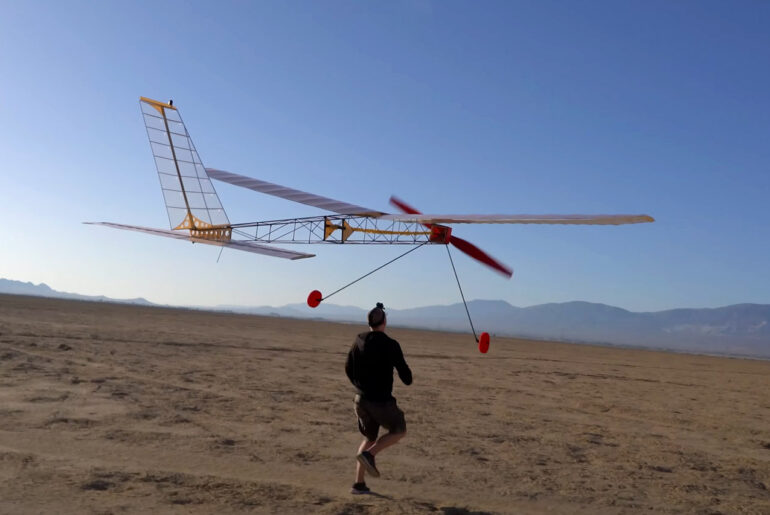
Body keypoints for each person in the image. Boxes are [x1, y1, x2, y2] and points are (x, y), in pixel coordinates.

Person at [345, 302, 412, 495]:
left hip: (360, 400)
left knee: (369, 437)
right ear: (384, 321)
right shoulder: (390, 344)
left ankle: (358, 484)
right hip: (380, 402)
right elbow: (406, 378)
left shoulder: (358, 340)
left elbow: (348, 368)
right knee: (399, 430)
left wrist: (360, 386)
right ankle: (370, 454)